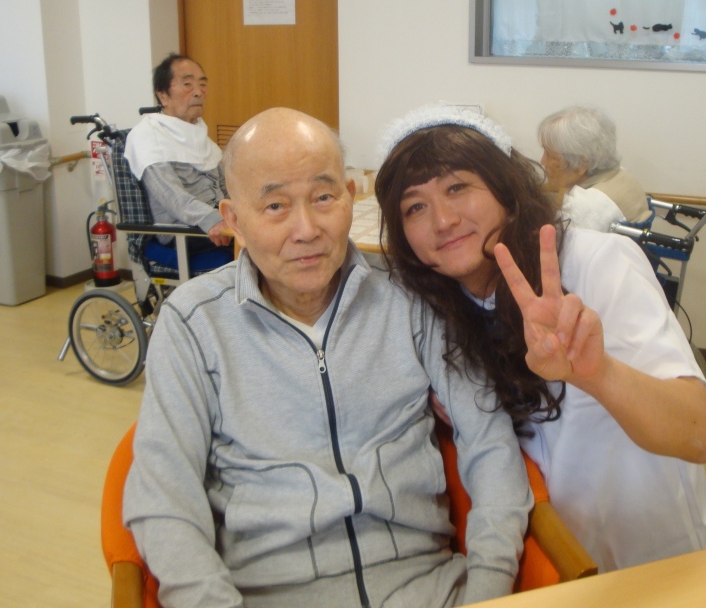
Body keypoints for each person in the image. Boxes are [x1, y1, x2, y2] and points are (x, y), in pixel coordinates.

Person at [123, 107, 531, 608]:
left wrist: (487, 590)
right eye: (275, 206)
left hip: (429, 587)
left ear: (350, 197)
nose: (306, 229)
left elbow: (489, 441)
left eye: (323, 197)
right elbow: (164, 496)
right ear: (234, 220)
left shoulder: (412, 298)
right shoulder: (193, 323)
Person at [373, 105, 706, 573]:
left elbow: (701, 438)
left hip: (655, 560)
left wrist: (597, 374)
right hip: (550, 563)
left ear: (505, 188)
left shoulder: (596, 263)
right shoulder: (432, 311)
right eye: (415, 207)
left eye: (457, 188)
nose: (442, 220)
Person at [124, 53, 233, 270]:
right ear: (163, 95)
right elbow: (173, 198)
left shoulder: (198, 134)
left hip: (219, 222)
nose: (198, 92)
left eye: (202, 84)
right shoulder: (148, 136)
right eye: (187, 84)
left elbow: (226, 186)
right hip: (184, 232)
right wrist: (213, 220)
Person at [538, 105, 651, 227]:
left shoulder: (583, 209)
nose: (543, 161)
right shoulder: (622, 175)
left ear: (581, 164)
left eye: (550, 156)